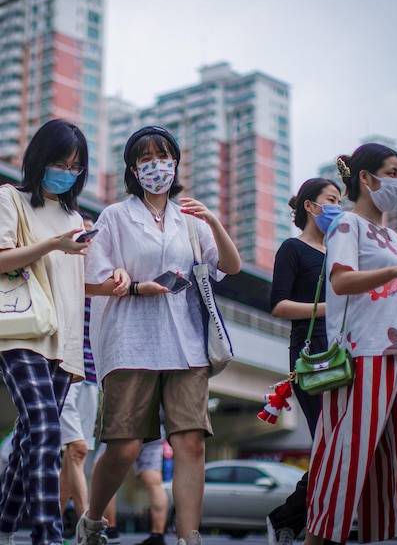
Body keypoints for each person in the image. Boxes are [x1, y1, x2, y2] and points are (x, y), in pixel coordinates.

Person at [80, 126, 241, 545]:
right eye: (146, 159)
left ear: (176, 163)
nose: (157, 166)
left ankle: (189, 537)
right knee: (125, 446)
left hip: (188, 346)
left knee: (191, 443)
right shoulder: (116, 216)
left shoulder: (190, 218)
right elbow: (89, 280)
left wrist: (212, 221)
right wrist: (132, 285)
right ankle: (92, 520)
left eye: (164, 157)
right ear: (133, 169)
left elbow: (231, 266)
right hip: (131, 343)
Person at [303, 143, 397, 545]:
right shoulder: (348, 225)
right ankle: (318, 535)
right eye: (392, 172)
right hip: (363, 353)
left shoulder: (393, 235)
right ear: (366, 178)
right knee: (347, 457)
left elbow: (394, 289)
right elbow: (341, 281)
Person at [0, 119, 89, 545]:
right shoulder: (9, 199)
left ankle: (1, 531)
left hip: (64, 340)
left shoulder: (73, 216)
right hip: (20, 330)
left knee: (30, 437)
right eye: (60, 162)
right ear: (39, 159)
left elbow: (71, 279)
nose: (66, 172)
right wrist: (55, 244)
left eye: (76, 167)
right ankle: (47, 535)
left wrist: (122, 283)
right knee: (45, 427)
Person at [264, 179, 342, 545]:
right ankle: (288, 519)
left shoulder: (339, 252)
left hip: (344, 355)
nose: (338, 207)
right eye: (331, 200)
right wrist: (332, 308)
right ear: (310, 207)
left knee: (341, 444)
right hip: (312, 356)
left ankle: (290, 518)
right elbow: (278, 305)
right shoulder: (292, 249)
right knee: (331, 444)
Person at [59, 215, 99, 527]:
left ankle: (50, 525)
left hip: (92, 377)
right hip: (62, 372)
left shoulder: (104, 283)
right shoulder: (58, 275)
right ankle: (88, 526)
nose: (88, 241)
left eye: (92, 236)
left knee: (75, 458)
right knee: (77, 449)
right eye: (82, 236)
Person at [100, 436, 168, 545]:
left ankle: (111, 530)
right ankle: (157, 535)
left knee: (107, 473)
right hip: (154, 427)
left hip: (126, 427)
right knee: (154, 481)